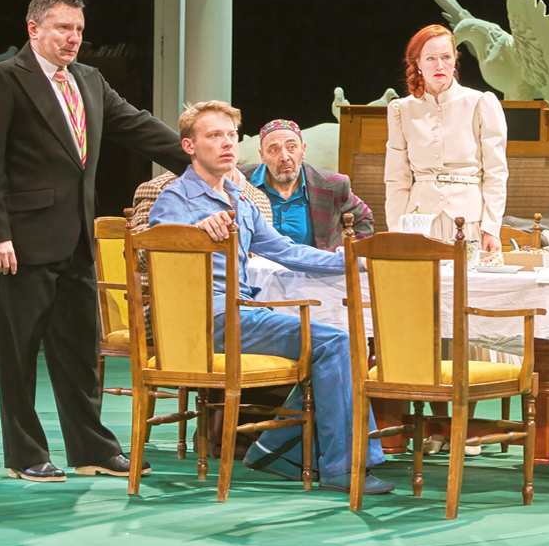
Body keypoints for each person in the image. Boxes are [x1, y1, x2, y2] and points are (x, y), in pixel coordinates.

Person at [0, 0, 190, 483]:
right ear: (34, 29)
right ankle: (24, 454)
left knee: (80, 353)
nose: (73, 38)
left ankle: (92, 450)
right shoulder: (3, 79)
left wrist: (199, 160)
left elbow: (138, 127)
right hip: (22, 242)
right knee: (19, 356)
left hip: (77, 240)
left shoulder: (89, 79)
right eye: (64, 28)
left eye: (79, 30)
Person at [148, 100, 393, 495]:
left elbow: (287, 251)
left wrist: (355, 261)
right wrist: (195, 231)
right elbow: (156, 249)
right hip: (205, 321)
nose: (227, 143)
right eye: (214, 135)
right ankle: (342, 468)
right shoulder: (176, 198)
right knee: (338, 342)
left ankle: (277, 449)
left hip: (241, 315)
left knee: (337, 344)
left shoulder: (240, 200)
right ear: (189, 146)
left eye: (231, 135)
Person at [385, 25, 508, 250]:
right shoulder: (401, 109)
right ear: (418, 63)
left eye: (446, 57)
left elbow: (496, 172)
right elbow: (396, 178)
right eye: (430, 58)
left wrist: (491, 228)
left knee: (467, 273)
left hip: (468, 220)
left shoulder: (480, 103)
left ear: (455, 59)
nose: (439, 65)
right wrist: (396, 229)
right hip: (419, 222)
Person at [241, 118, 374, 250]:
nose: (285, 157)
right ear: (262, 156)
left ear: (303, 150)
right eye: (274, 150)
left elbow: (363, 218)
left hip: (317, 262)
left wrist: (352, 254)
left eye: (291, 147)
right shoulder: (240, 180)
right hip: (258, 262)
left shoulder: (332, 184)